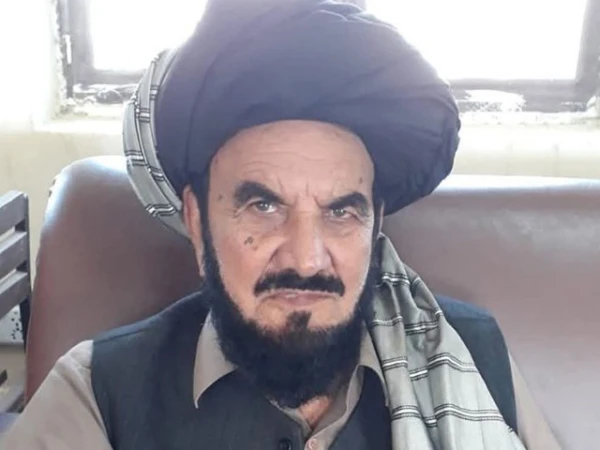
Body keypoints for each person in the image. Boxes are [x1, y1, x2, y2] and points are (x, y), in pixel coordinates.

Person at [4, 1, 560, 449]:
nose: (307, 258)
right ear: (197, 222)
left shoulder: (470, 357)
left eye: (341, 212)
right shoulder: (98, 395)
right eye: (263, 207)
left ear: (375, 226)